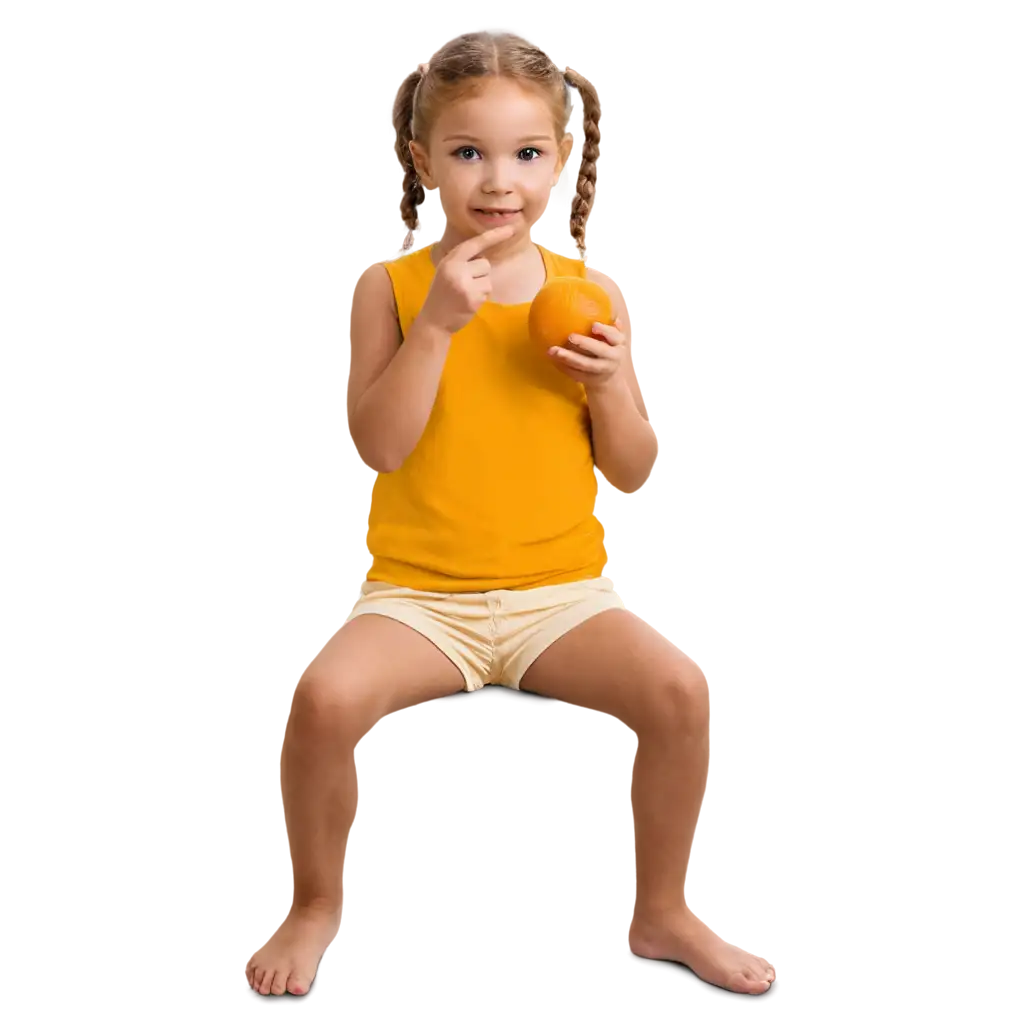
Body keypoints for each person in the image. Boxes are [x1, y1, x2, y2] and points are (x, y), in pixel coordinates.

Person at [243, 27, 781, 1008]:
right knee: (320, 699)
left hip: (560, 596)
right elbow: (378, 446)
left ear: (562, 161)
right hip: (420, 601)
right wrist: (439, 329)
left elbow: (632, 470)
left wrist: (612, 389)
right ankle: (312, 903)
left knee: (680, 690)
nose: (499, 180)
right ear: (422, 163)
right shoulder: (392, 288)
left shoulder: (590, 293)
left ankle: (661, 908)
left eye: (527, 153)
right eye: (468, 152)